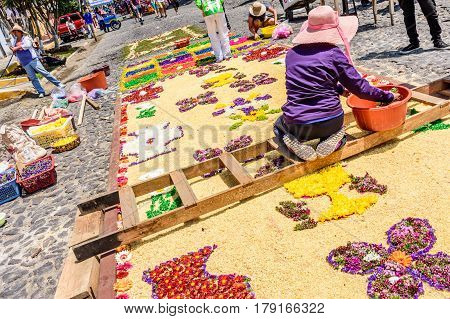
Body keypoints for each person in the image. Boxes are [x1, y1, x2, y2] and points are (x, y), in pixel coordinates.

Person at [273, 6, 397, 161]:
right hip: (331, 121)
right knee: (337, 132)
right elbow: (360, 88)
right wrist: (387, 96)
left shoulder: (291, 54)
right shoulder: (333, 53)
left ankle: (294, 142)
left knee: (278, 126)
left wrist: (338, 89)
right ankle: (335, 139)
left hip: (298, 124)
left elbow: (307, 82)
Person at [9, 24, 64, 98]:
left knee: (44, 72)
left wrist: (17, 48)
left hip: (32, 59)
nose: (14, 33)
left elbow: (28, 45)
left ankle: (59, 84)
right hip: (24, 62)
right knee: (33, 78)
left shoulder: (26, 38)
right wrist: (14, 50)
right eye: (13, 32)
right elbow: (15, 51)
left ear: (19, 32)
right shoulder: (14, 41)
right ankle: (41, 91)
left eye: (15, 31)